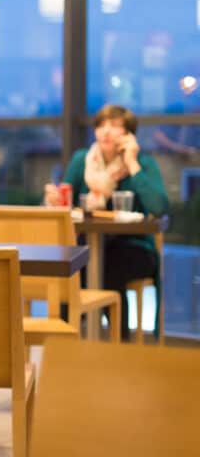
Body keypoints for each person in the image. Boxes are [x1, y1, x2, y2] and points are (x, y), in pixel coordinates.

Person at [44, 104, 169, 339]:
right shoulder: (83, 160)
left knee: (108, 270)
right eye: (101, 125)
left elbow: (159, 207)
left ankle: (117, 350)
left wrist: (132, 164)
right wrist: (54, 198)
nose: (106, 132)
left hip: (135, 248)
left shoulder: (143, 163)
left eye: (115, 126)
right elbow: (65, 200)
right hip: (89, 247)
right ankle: (64, 346)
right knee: (69, 275)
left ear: (129, 134)